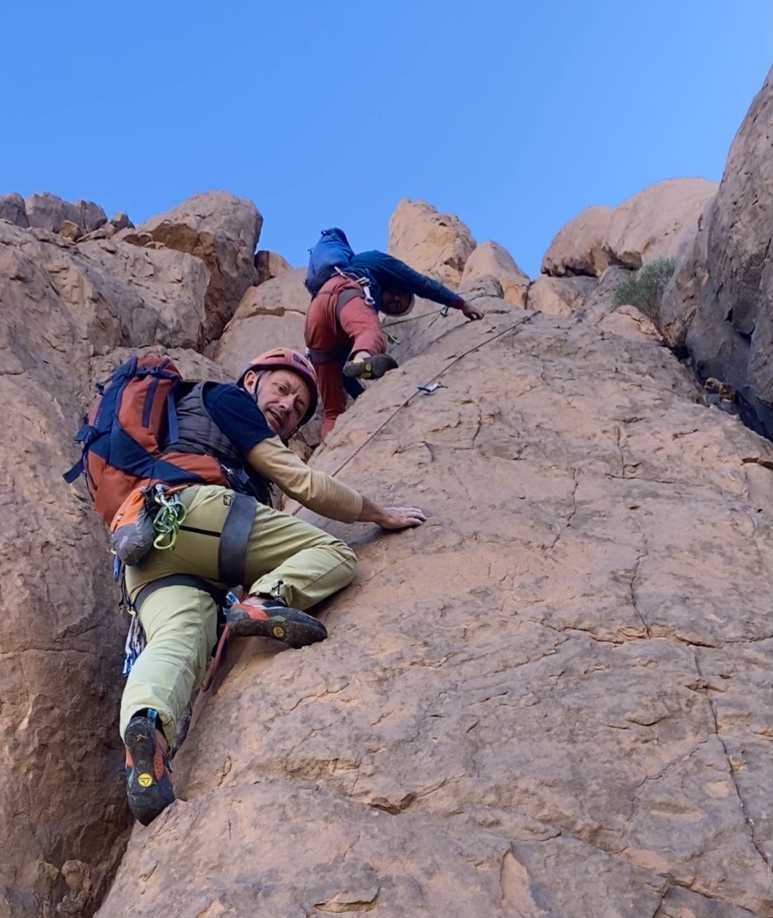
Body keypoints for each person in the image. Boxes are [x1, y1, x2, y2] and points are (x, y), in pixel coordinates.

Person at [120, 347, 426, 826]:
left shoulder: (183, 422)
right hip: (202, 515)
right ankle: (266, 600)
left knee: (176, 643)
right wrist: (377, 513)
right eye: (282, 389)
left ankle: (148, 732)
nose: (288, 406)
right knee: (335, 554)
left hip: (145, 551)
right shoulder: (229, 401)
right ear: (251, 382)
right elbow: (300, 480)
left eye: (300, 407)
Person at [304, 250, 484, 438]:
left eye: (396, 306)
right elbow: (421, 283)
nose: (395, 299)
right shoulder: (375, 261)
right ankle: (363, 357)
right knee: (370, 333)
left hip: (315, 320)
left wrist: (362, 397)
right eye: (399, 293)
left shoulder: (354, 281)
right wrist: (460, 304)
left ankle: (330, 455)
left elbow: (345, 372)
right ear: (398, 283)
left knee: (333, 411)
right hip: (342, 292)